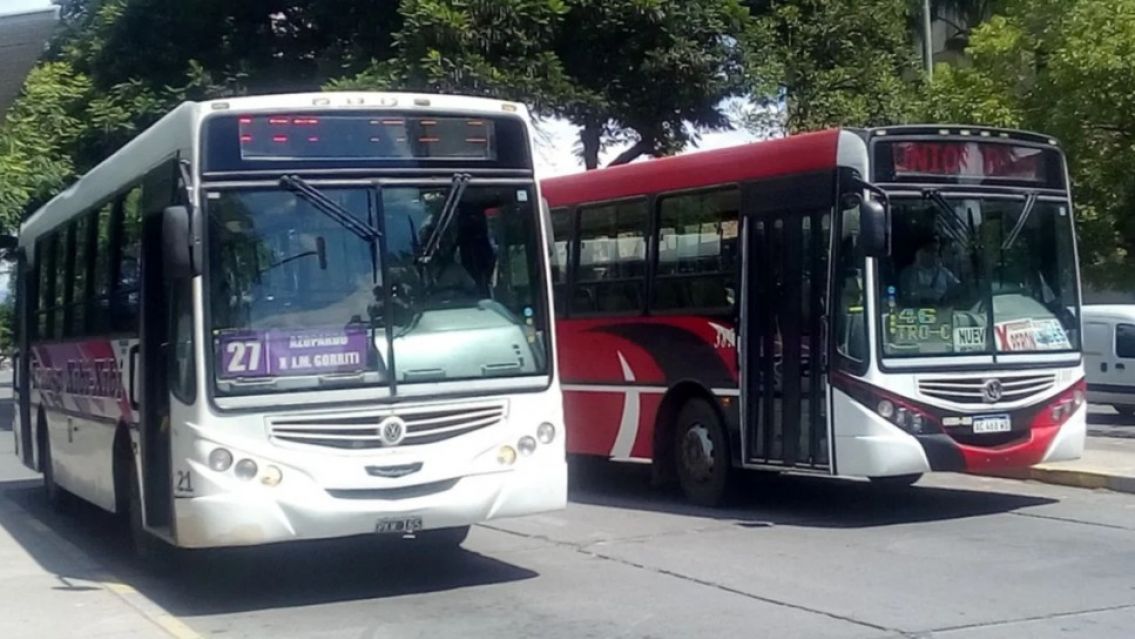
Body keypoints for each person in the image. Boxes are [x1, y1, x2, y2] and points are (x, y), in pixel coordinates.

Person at [900, 237, 959, 304]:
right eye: (928, 250)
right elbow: (904, 297)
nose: (933, 254)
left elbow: (958, 289)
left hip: (941, 311)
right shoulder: (907, 274)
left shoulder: (945, 273)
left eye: (935, 251)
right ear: (918, 252)